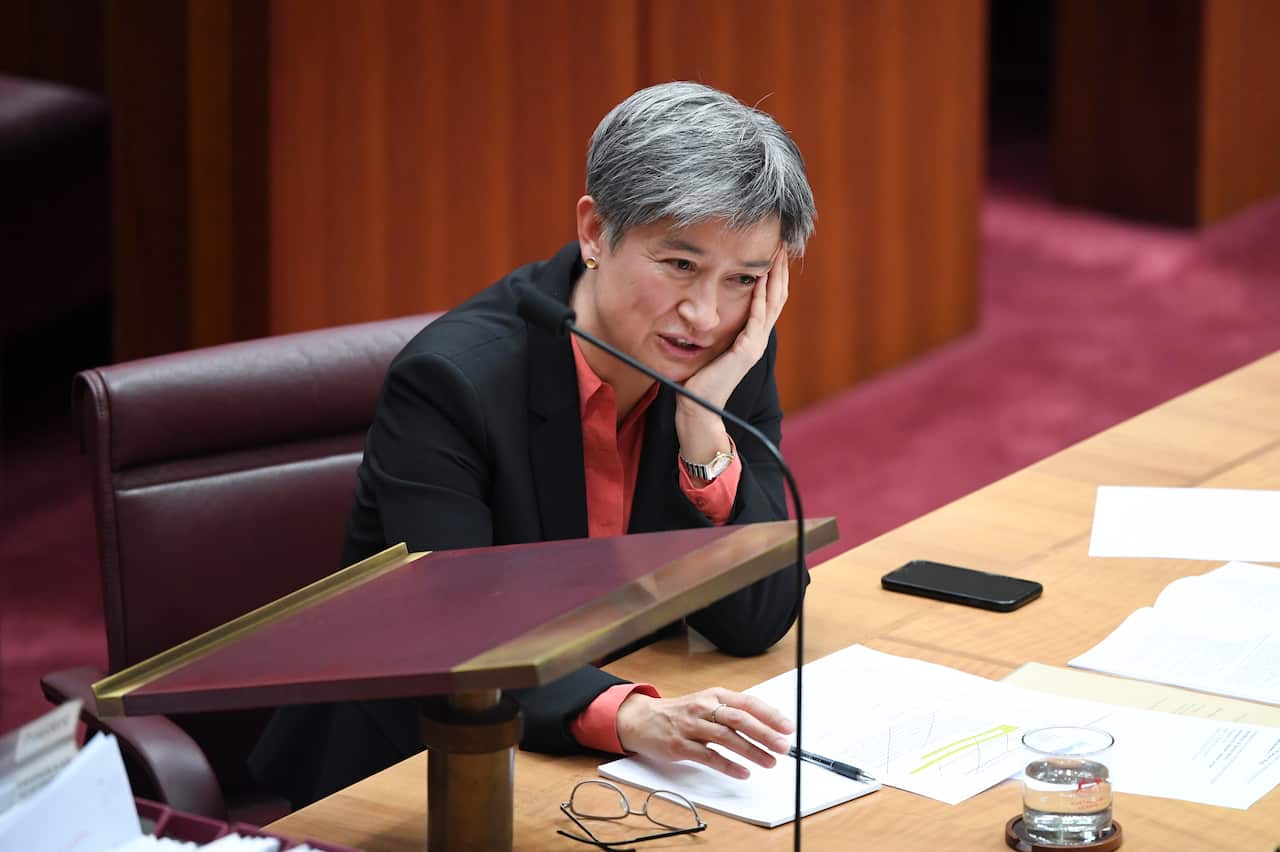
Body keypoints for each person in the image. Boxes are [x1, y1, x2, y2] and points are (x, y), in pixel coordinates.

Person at [249, 80, 817, 808]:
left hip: (599, 764)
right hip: (416, 768)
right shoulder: (451, 383)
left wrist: (704, 435)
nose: (704, 313)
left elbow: (756, 621)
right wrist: (630, 714)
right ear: (595, 232)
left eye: (743, 279)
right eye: (680, 265)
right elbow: (458, 631)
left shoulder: (727, 361)